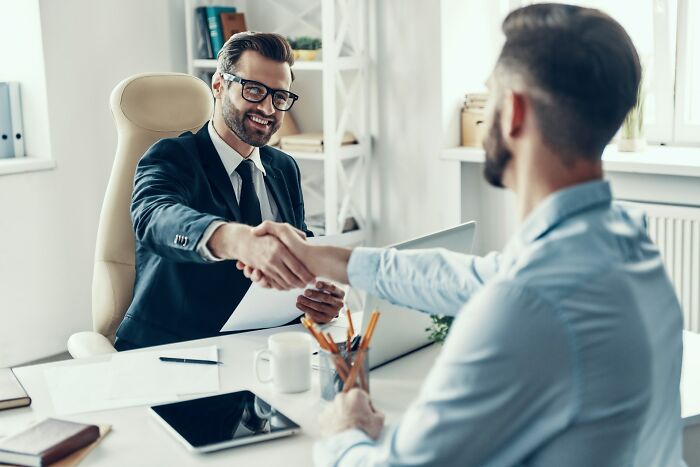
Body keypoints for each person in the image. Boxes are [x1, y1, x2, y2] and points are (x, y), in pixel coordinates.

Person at [239, 5, 684, 466]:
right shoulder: (625, 246)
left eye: (488, 96)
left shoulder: (528, 307)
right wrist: (320, 258)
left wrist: (342, 432)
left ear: (512, 111)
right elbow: (467, 277)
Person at [114, 32, 344, 351]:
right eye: (253, 90)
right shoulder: (171, 157)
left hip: (261, 349)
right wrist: (237, 240)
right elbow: (156, 219)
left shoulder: (284, 168)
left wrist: (312, 297)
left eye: (280, 96)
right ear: (219, 86)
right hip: (177, 351)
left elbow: (293, 250)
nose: (268, 108)